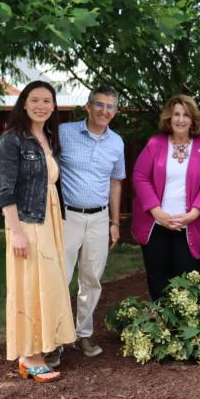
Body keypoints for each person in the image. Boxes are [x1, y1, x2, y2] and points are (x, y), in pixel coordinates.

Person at [0, 80, 75, 383]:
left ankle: (43, 344)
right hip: (27, 222)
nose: (41, 106)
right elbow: (4, 189)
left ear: (54, 106)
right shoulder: (11, 140)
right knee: (29, 285)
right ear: (24, 104)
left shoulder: (48, 138)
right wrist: (16, 232)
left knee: (49, 284)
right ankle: (28, 356)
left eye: (47, 101)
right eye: (35, 100)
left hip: (49, 219)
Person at [46, 86, 125, 365]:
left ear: (116, 111)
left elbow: (116, 183)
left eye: (111, 107)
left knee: (91, 279)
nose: (105, 111)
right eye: (100, 105)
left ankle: (83, 334)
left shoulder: (117, 143)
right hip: (68, 217)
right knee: (60, 277)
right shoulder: (65, 134)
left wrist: (115, 223)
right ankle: (54, 340)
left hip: (100, 218)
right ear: (88, 106)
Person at [132, 94, 200, 300]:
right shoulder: (155, 143)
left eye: (186, 114)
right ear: (169, 117)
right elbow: (140, 177)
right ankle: (162, 327)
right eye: (176, 114)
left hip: (189, 225)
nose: (180, 119)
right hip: (156, 223)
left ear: (193, 119)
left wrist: (193, 214)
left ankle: (184, 326)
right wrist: (157, 212)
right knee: (158, 278)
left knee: (186, 281)